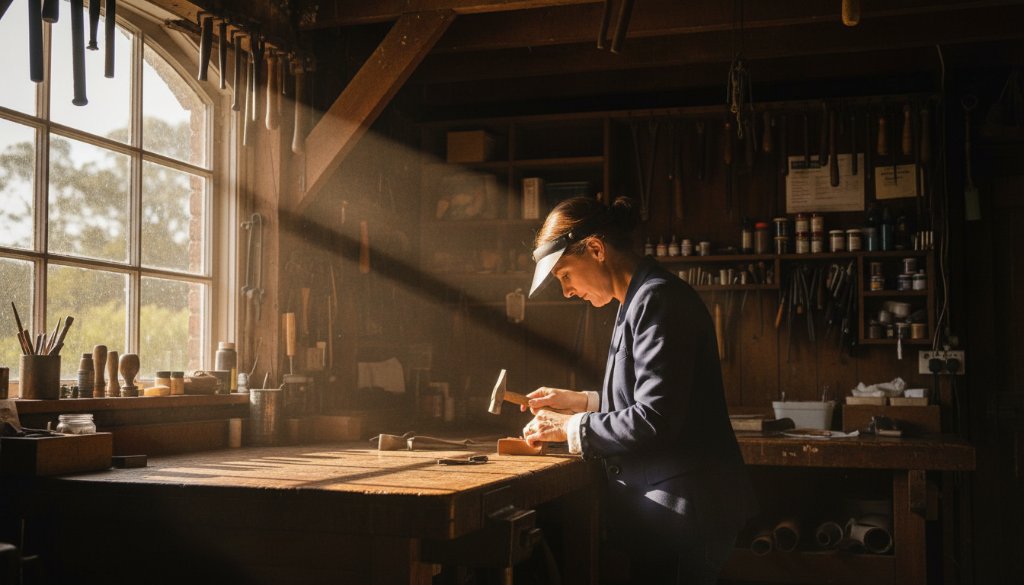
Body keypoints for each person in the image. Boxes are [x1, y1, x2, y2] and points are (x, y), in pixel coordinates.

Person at [521, 195, 755, 584]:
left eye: (565, 274)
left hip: (685, 515)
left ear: (595, 249)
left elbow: (656, 418)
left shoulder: (656, 299)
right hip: (674, 513)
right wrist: (582, 401)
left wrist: (569, 428)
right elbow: (657, 397)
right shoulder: (635, 299)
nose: (567, 291)